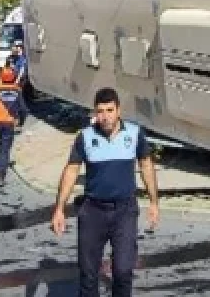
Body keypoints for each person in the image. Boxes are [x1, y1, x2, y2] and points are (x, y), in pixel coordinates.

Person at [51, 88, 159, 297]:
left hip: (124, 211)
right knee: (88, 274)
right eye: (100, 111)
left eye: (109, 110)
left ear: (119, 110)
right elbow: (71, 170)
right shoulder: (85, 136)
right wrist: (59, 209)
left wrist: (154, 202)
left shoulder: (135, 134)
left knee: (123, 271)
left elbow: (146, 165)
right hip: (93, 211)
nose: (105, 116)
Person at [0, 68, 27, 187]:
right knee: (4, 151)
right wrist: (20, 122)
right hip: (9, 125)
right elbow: (23, 110)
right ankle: (0, 178)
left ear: (1, 77)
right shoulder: (18, 91)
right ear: (13, 77)